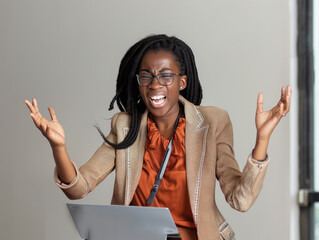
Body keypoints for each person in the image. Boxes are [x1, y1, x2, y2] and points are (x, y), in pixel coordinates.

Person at [24, 34, 291, 240]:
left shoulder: (212, 122)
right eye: (146, 76)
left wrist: (262, 139)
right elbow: (79, 188)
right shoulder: (125, 125)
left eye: (166, 76)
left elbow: (239, 200)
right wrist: (58, 146)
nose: (154, 85)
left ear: (182, 82)